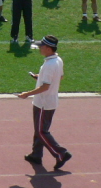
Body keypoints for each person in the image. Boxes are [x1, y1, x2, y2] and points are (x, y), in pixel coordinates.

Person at [19, 35, 71, 171]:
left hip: (43, 103)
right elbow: (60, 76)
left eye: (41, 46)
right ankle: (36, 155)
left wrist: (26, 94)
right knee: (39, 129)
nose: (39, 48)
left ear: (48, 48)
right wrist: (39, 76)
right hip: (48, 102)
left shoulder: (49, 65)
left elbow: (45, 87)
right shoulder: (57, 60)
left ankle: (61, 153)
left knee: (41, 131)